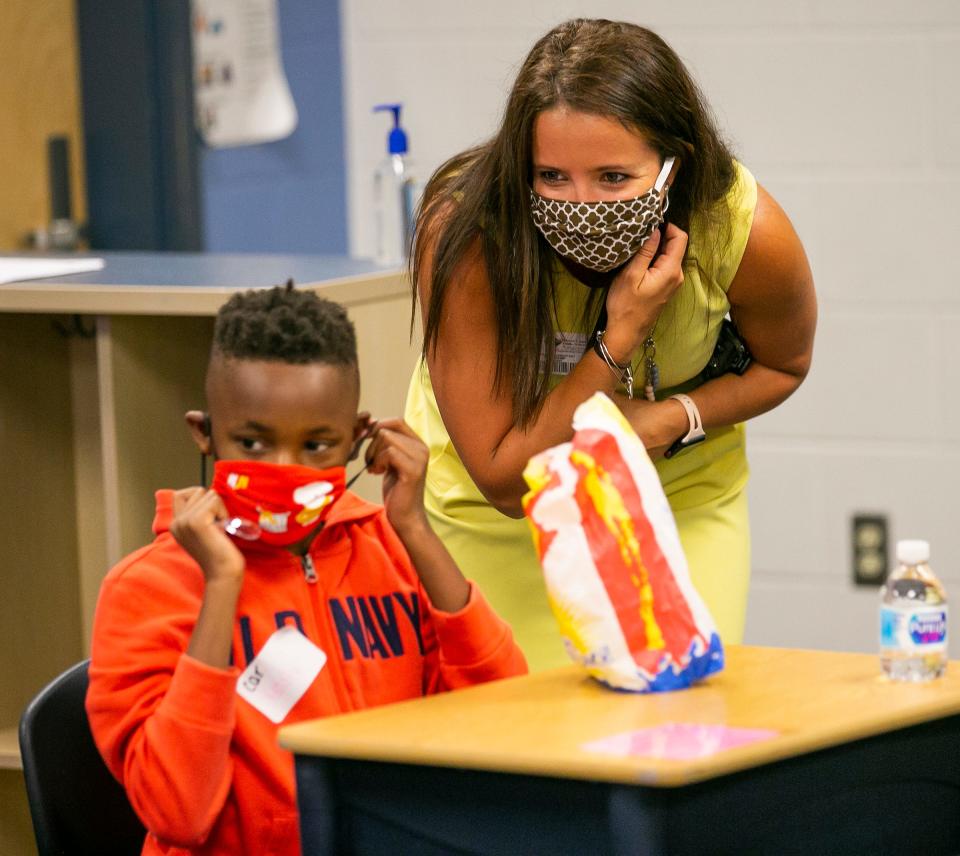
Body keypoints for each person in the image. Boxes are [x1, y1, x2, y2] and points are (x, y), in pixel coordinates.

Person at [405, 18, 817, 669]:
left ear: (673, 166)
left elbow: (784, 364)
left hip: (675, 492)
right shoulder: (469, 232)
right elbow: (505, 482)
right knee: (512, 739)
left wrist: (670, 419)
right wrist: (617, 342)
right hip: (500, 513)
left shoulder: (740, 227)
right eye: (552, 176)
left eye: (614, 178)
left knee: (680, 721)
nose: (582, 202)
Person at [86, 284, 527, 855]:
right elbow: (179, 812)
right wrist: (222, 585)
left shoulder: (390, 551)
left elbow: (503, 722)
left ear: (358, 440)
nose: (286, 470)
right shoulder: (146, 590)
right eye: (253, 442)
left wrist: (415, 529)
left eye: (317, 445)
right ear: (204, 433)